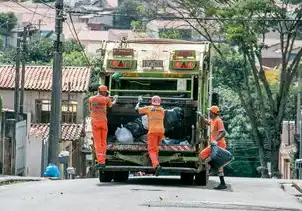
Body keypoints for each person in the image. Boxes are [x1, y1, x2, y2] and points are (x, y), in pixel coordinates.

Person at [89, 85, 118, 168]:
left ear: (98, 90)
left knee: (98, 143)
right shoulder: (107, 99)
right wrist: (115, 99)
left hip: (95, 123)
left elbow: (90, 109)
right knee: (103, 142)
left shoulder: (91, 99)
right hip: (103, 123)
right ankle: (103, 159)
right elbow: (111, 105)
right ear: (105, 92)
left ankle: (101, 161)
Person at [135, 95, 165, 176]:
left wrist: (138, 103)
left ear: (152, 102)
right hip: (161, 131)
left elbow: (137, 110)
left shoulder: (149, 108)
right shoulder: (162, 110)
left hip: (153, 131)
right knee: (156, 148)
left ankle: (156, 165)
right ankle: (156, 167)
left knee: (151, 150)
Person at [199, 105, 227, 190]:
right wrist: (201, 116)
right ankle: (222, 182)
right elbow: (207, 122)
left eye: (210, 112)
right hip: (214, 144)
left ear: (213, 113)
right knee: (202, 155)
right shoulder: (213, 120)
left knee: (218, 164)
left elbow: (223, 133)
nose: (209, 113)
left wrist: (216, 141)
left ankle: (214, 169)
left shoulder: (219, 121)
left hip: (219, 144)